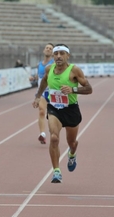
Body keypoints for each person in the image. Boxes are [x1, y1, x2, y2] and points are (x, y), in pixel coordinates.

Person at [32, 44, 92, 183]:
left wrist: (73, 90)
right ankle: (57, 171)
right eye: (56, 53)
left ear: (67, 56)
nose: (58, 56)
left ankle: (72, 154)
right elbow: (44, 82)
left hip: (71, 110)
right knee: (54, 138)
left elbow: (89, 89)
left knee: (72, 142)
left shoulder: (74, 70)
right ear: (53, 56)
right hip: (54, 108)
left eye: (62, 53)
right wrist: (37, 96)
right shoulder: (49, 69)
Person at [30, 43, 54, 144]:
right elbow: (40, 76)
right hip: (42, 92)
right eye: (47, 48)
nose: (48, 49)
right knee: (41, 111)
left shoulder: (54, 63)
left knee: (53, 115)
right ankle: (42, 134)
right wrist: (34, 78)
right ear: (44, 50)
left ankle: (54, 133)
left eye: (50, 48)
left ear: (53, 52)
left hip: (53, 92)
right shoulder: (39, 64)